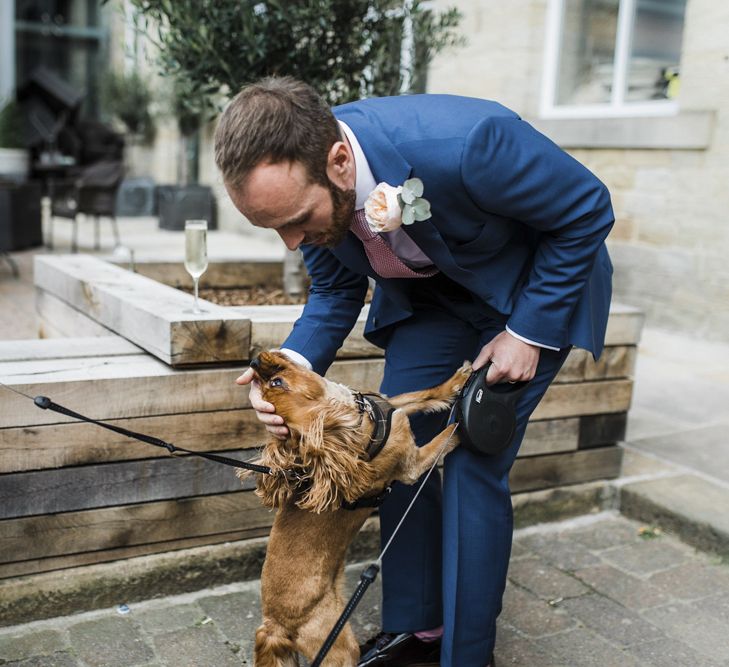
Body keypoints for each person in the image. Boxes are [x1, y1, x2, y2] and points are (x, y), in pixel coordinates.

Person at [214, 77, 614, 667]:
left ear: (341, 161)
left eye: (296, 220)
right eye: (274, 229)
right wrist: (290, 371)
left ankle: (466, 654)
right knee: (393, 441)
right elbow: (332, 289)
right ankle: (416, 630)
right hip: (430, 299)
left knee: (474, 459)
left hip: (531, 293)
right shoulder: (312, 196)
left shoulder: (469, 142)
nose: (293, 242)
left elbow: (587, 207)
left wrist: (528, 332)